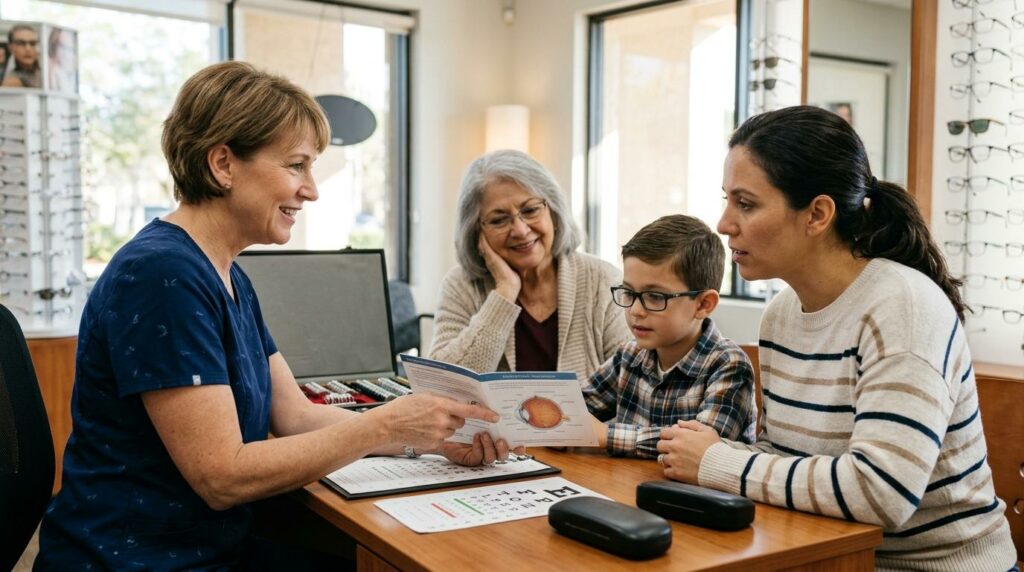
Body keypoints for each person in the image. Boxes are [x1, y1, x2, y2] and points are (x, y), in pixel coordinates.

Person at [35, 62, 507, 570]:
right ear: (223, 164)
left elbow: (296, 415)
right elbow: (223, 476)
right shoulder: (161, 276)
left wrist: (427, 442)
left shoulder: (227, 274)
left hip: (202, 548)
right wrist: (383, 424)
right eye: (296, 166)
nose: (312, 189)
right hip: (140, 560)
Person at [657, 106, 1016, 570]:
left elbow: (880, 492)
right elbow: (785, 459)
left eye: (745, 204)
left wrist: (717, 463)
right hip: (831, 556)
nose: (724, 223)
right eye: (727, 201)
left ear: (817, 214)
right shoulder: (781, 315)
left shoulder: (902, 307)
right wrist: (715, 449)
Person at [429, 149, 629, 383]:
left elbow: (631, 384)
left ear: (553, 211)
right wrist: (504, 293)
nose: (521, 230)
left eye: (531, 210)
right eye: (498, 220)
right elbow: (443, 385)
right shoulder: (461, 286)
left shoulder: (603, 280)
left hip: (591, 421)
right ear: (476, 232)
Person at [583, 214, 756, 458]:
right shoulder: (630, 355)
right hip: (626, 487)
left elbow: (698, 448)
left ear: (703, 304)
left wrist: (604, 435)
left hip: (693, 495)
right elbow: (576, 407)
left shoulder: (728, 365)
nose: (635, 310)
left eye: (655, 297)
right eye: (628, 293)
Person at [1, 24, 41, 88]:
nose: (28, 49)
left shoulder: (50, 74)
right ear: (10, 47)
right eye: (21, 43)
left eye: (33, 43)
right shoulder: (10, 81)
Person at [47, 27, 77, 94]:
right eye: (62, 46)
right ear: (52, 45)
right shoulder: (49, 67)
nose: (65, 53)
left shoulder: (68, 73)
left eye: (69, 48)